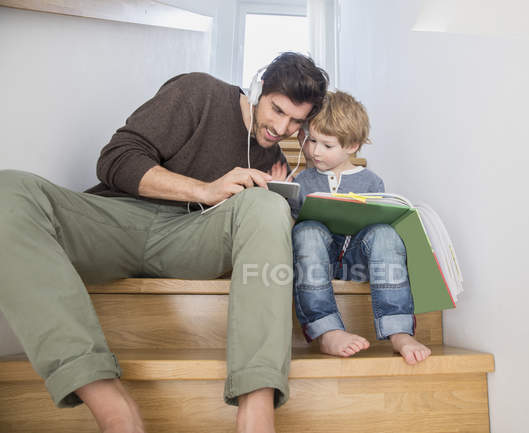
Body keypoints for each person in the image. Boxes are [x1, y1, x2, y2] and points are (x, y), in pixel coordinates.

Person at [0, 52, 328, 433]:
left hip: (191, 241)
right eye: (277, 110)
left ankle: (256, 414)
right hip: (116, 220)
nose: (282, 128)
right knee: (9, 189)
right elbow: (116, 160)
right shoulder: (199, 92)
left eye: (296, 122)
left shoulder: (272, 158)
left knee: (268, 204)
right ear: (258, 87)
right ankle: (112, 407)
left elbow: (262, 231)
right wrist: (205, 190)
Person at [289, 91, 432, 365]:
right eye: (312, 141)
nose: (315, 151)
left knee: (385, 234)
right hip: (318, 263)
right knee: (306, 231)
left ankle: (399, 331)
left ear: (352, 146)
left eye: (327, 145)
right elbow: (293, 230)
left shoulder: (371, 182)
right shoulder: (303, 179)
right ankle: (327, 330)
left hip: (359, 261)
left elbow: (378, 225)